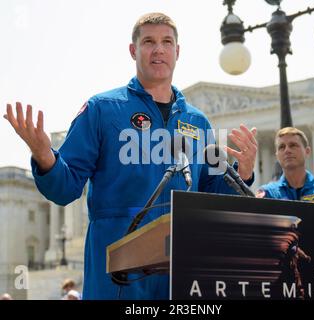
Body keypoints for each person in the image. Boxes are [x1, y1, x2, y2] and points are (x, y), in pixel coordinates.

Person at [4, 12, 257, 299]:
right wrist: (43, 155)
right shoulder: (101, 109)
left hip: (182, 276)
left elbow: (215, 194)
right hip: (118, 277)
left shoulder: (199, 123)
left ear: (178, 51)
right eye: (149, 41)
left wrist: (244, 171)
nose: (158, 49)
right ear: (133, 50)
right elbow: (65, 188)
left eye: (167, 42)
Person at [256, 127, 314, 204]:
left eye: (293, 145)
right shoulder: (268, 194)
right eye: (282, 147)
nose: (287, 150)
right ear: (277, 155)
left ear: (307, 151)